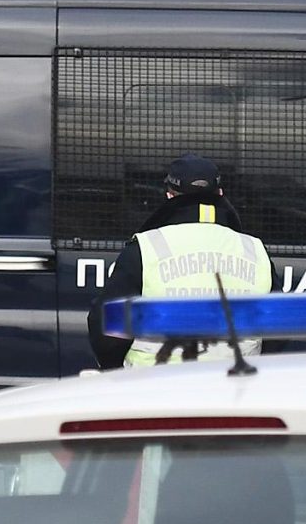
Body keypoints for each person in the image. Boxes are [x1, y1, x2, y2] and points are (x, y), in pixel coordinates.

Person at [89, 154, 274, 368]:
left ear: (169, 195)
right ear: (220, 193)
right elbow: (279, 326)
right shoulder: (254, 250)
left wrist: (114, 370)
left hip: (155, 383)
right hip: (234, 384)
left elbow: (106, 326)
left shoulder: (146, 248)